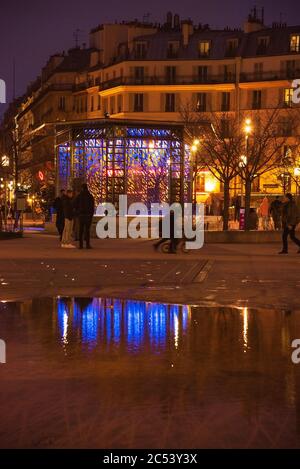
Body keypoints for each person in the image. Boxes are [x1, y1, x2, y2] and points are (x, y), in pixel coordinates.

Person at [74, 184, 95, 249]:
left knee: (81, 230)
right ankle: (87, 244)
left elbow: (74, 204)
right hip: (88, 215)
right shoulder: (90, 196)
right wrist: (91, 215)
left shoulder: (79, 196)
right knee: (87, 230)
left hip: (81, 215)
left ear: (82, 188)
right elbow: (92, 207)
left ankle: (81, 245)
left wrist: (77, 212)